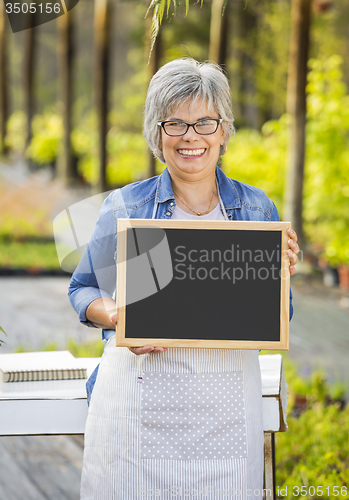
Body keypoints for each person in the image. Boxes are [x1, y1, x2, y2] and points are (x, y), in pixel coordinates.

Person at [69, 58, 299, 500]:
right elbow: (82, 290)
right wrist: (117, 315)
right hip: (136, 410)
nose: (191, 136)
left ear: (224, 130)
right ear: (158, 134)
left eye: (204, 122)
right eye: (174, 123)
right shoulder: (125, 207)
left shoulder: (256, 210)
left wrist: (281, 275)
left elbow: (278, 318)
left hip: (225, 415)